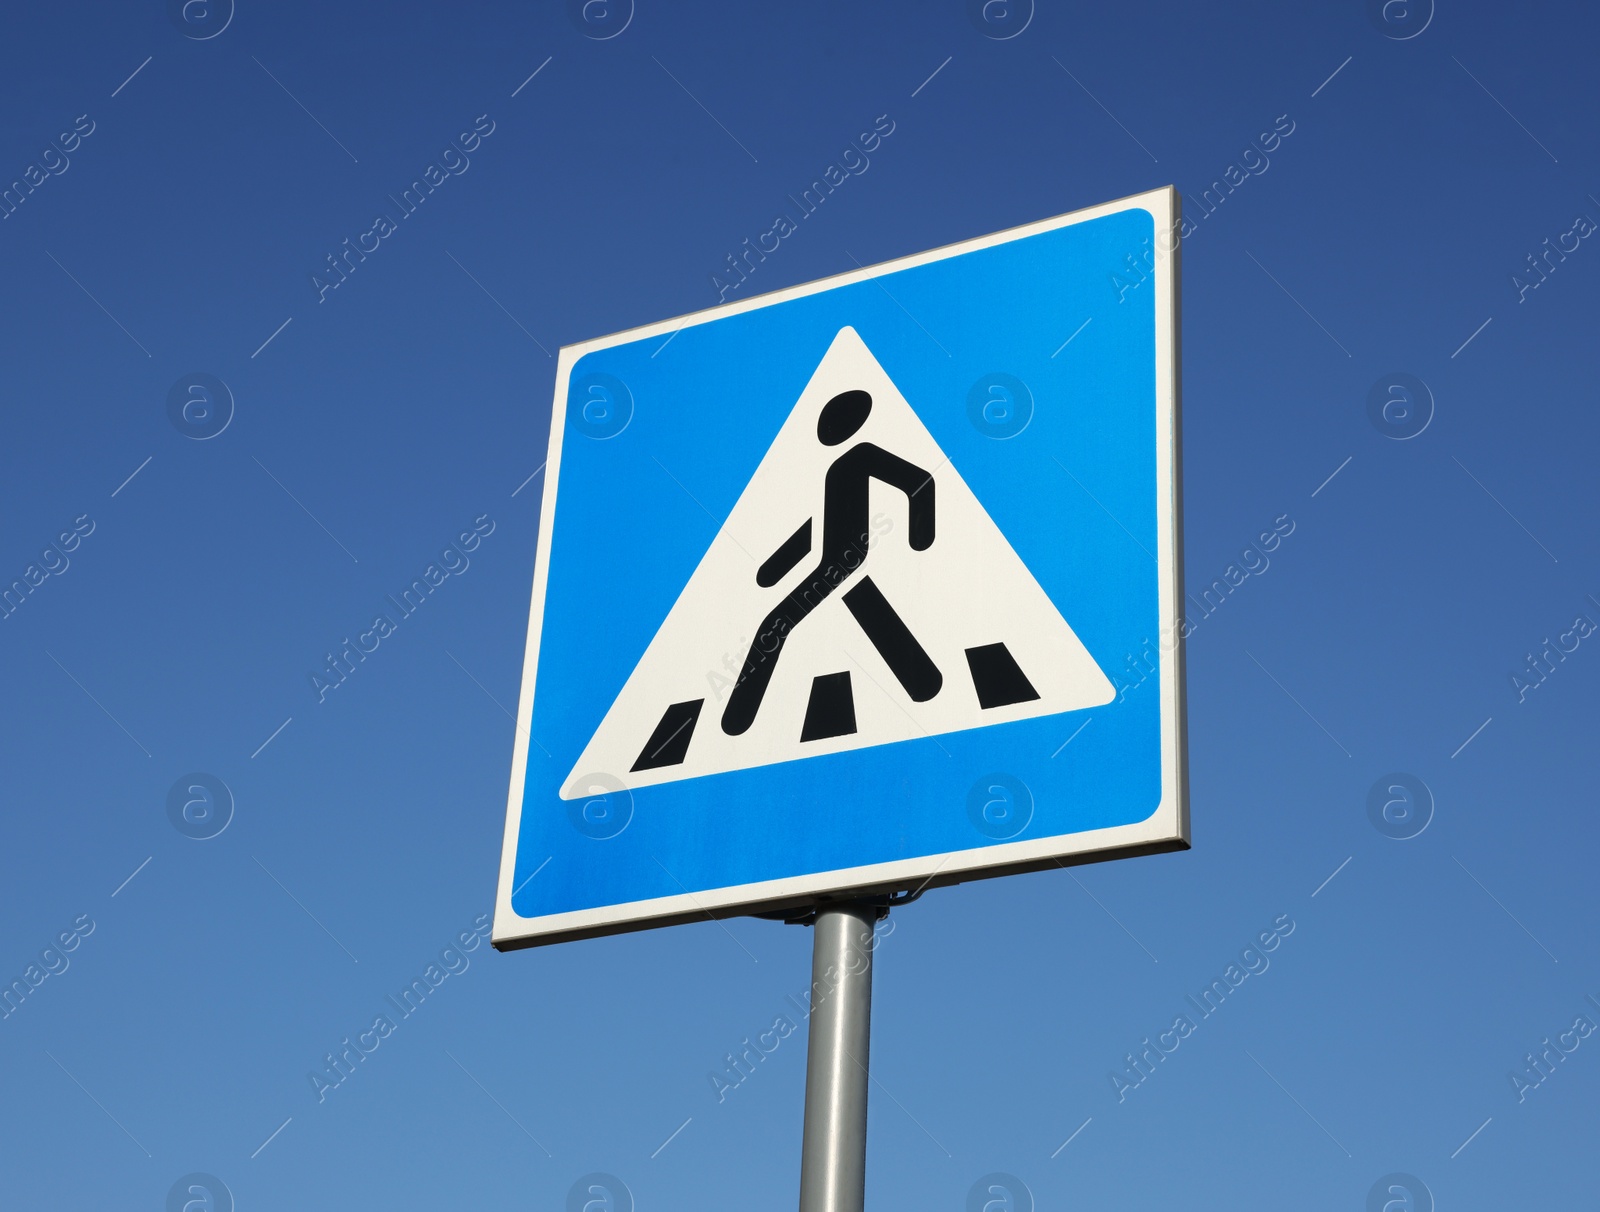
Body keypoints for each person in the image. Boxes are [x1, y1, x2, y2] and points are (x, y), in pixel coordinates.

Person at [721, 388, 942, 736]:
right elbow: (817, 527)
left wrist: (921, 538)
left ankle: (736, 720)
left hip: (845, 560)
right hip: (836, 561)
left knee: (776, 624)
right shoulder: (835, 468)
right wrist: (773, 569)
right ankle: (925, 683)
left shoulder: (862, 455)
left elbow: (919, 483)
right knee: (869, 613)